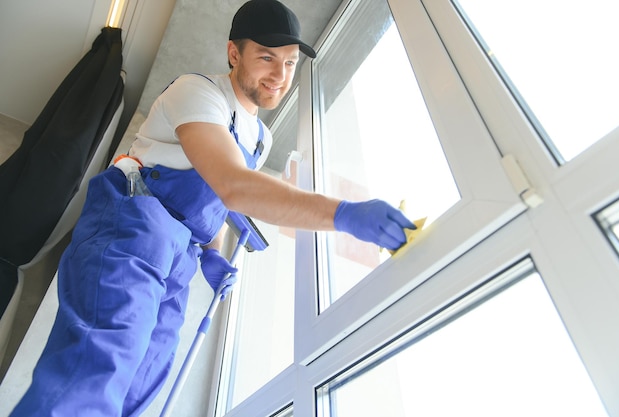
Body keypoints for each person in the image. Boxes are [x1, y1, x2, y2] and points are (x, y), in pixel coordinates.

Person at [10, 0, 415, 415]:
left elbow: (216, 200)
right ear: (234, 54)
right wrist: (344, 214)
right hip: (133, 229)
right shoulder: (199, 92)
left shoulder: (260, 138)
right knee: (98, 367)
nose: (280, 76)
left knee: (142, 383)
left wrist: (212, 253)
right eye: (267, 57)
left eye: (291, 63)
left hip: (179, 256)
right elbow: (233, 185)